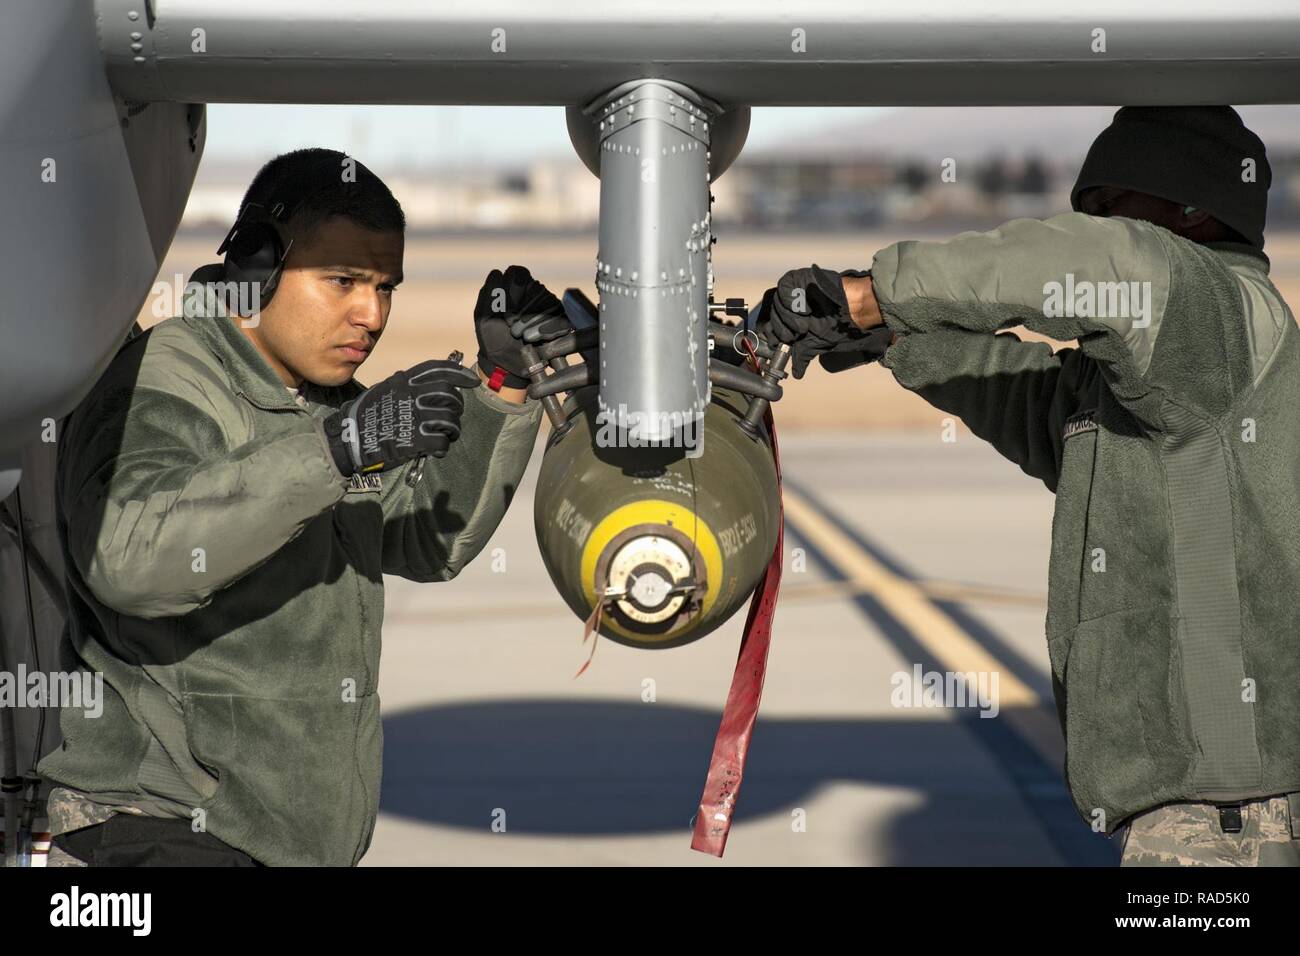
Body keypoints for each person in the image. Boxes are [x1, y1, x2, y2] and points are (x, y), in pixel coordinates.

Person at [758, 107, 1300, 865]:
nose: (1099, 219)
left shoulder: (1214, 315)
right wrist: (893, 337)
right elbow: (1032, 404)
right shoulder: (1149, 380)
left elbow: (1106, 264)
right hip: (1206, 810)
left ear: (1192, 210)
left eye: (1115, 205)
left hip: (1232, 814)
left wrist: (876, 290)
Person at [38, 148, 568, 866]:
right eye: (344, 280)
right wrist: (338, 449)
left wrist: (500, 386)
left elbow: (425, 541)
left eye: (386, 287)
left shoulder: (319, 402)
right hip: (159, 833)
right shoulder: (166, 378)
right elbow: (127, 559)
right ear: (256, 266)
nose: (372, 313)